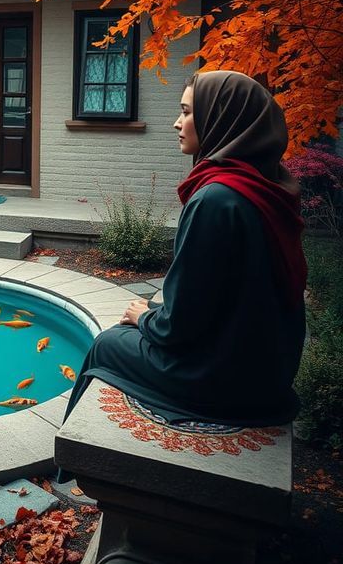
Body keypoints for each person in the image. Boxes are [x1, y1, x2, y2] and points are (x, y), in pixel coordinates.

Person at [63, 69, 307, 428]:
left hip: (222, 382)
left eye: (188, 112)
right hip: (266, 372)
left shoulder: (217, 199)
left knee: (109, 343)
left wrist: (143, 316)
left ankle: (75, 463)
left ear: (220, 118)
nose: (178, 123)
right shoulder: (269, 190)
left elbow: (177, 327)